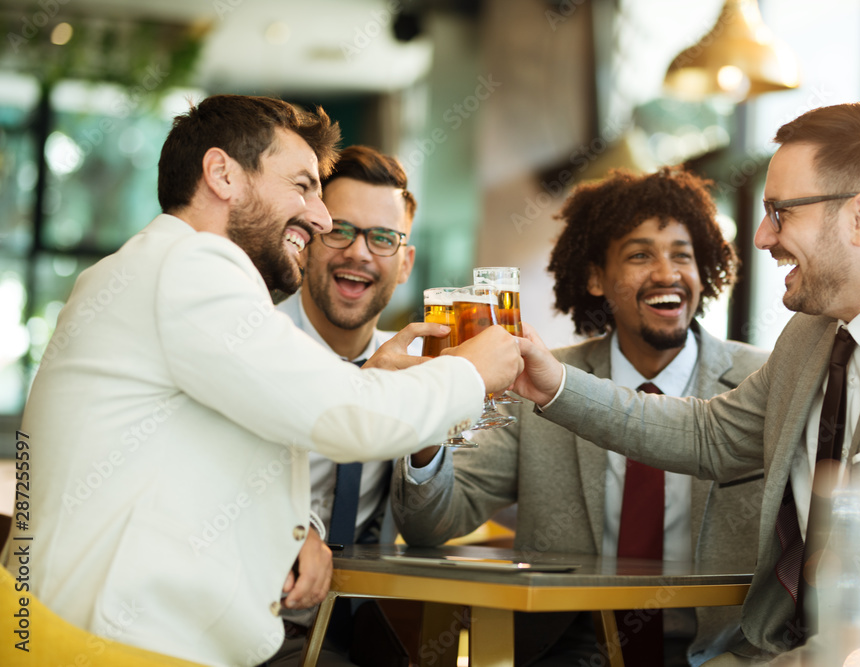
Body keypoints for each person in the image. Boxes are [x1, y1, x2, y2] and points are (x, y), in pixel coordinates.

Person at [0, 95, 523, 667]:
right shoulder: (194, 267)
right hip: (119, 645)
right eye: (302, 186)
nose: (321, 219)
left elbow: (235, 445)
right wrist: (472, 369)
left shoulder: (145, 267)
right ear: (222, 174)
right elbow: (347, 418)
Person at [509, 102, 860, 665]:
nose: (763, 236)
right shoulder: (812, 334)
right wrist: (554, 385)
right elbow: (709, 436)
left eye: (781, 211)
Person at [393, 166, 770, 666]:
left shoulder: (760, 382)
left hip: (717, 650)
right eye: (640, 255)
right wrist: (431, 417)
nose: (667, 273)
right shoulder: (538, 378)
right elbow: (430, 524)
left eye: (684, 255)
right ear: (595, 278)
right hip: (572, 648)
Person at [271, 145, 422, 666]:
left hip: (360, 627)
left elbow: (432, 520)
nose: (359, 252)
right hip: (249, 618)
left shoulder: (412, 368)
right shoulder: (254, 336)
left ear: (404, 264)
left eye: (383, 238)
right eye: (340, 229)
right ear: (308, 241)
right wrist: (294, 524)